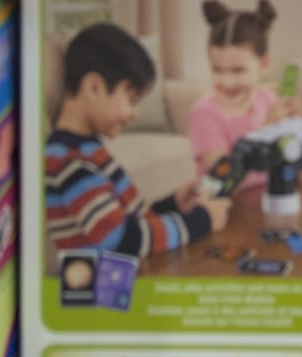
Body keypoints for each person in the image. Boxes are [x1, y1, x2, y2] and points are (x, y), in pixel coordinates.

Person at [45, 21, 228, 270]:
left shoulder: (86, 149)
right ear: (94, 88)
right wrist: (202, 220)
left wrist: (173, 203)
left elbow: (124, 219)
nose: (135, 114)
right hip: (102, 285)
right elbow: (120, 239)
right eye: (131, 100)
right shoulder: (70, 161)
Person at [189, 0, 289, 187]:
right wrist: (263, 134)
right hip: (225, 203)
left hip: (269, 194)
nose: (227, 82)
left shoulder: (268, 99)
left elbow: (285, 159)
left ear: (264, 64)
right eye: (217, 70)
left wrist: (298, 126)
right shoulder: (203, 112)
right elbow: (223, 180)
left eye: (238, 70)